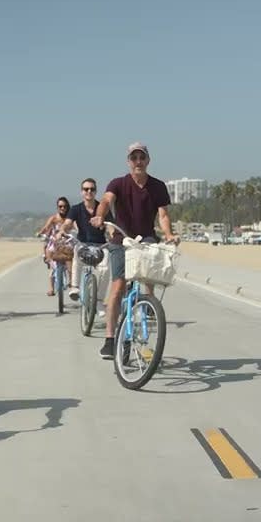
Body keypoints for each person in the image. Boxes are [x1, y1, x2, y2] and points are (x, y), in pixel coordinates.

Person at [90, 142, 179, 360]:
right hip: (121, 238)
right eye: (134, 158)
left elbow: (163, 215)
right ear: (128, 162)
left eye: (142, 157)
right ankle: (110, 339)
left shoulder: (157, 186)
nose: (138, 162)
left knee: (149, 277)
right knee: (118, 286)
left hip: (146, 237)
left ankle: (149, 304)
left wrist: (168, 235)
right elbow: (106, 201)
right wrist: (100, 215)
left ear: (148, 160)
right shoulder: (118, 183)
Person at [62, 178, 110, 301]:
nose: (89, 191)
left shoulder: (103, 208)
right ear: (81, 192)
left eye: (92, 189)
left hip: (100, 246)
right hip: (83, 244)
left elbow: (110, 226)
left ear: (96, 191)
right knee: (77, 254)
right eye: (86, 189)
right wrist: (63, 230)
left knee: (106, 268)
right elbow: (67, 223)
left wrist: (114, 235)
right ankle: (75, 287)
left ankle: (99, 300)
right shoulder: (76, 209)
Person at [36, 197, 74, 297]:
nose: (62, 208)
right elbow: (46, 227)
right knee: (52, 266)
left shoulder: (70, 219)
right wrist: (40, 233)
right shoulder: (54, 218)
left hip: (67, 243)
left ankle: (72, 283)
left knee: (70, 262)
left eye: (65, 206)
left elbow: (77, 227)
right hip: (54, 243)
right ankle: (51, 288)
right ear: (57, 207)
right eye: (60, 206)